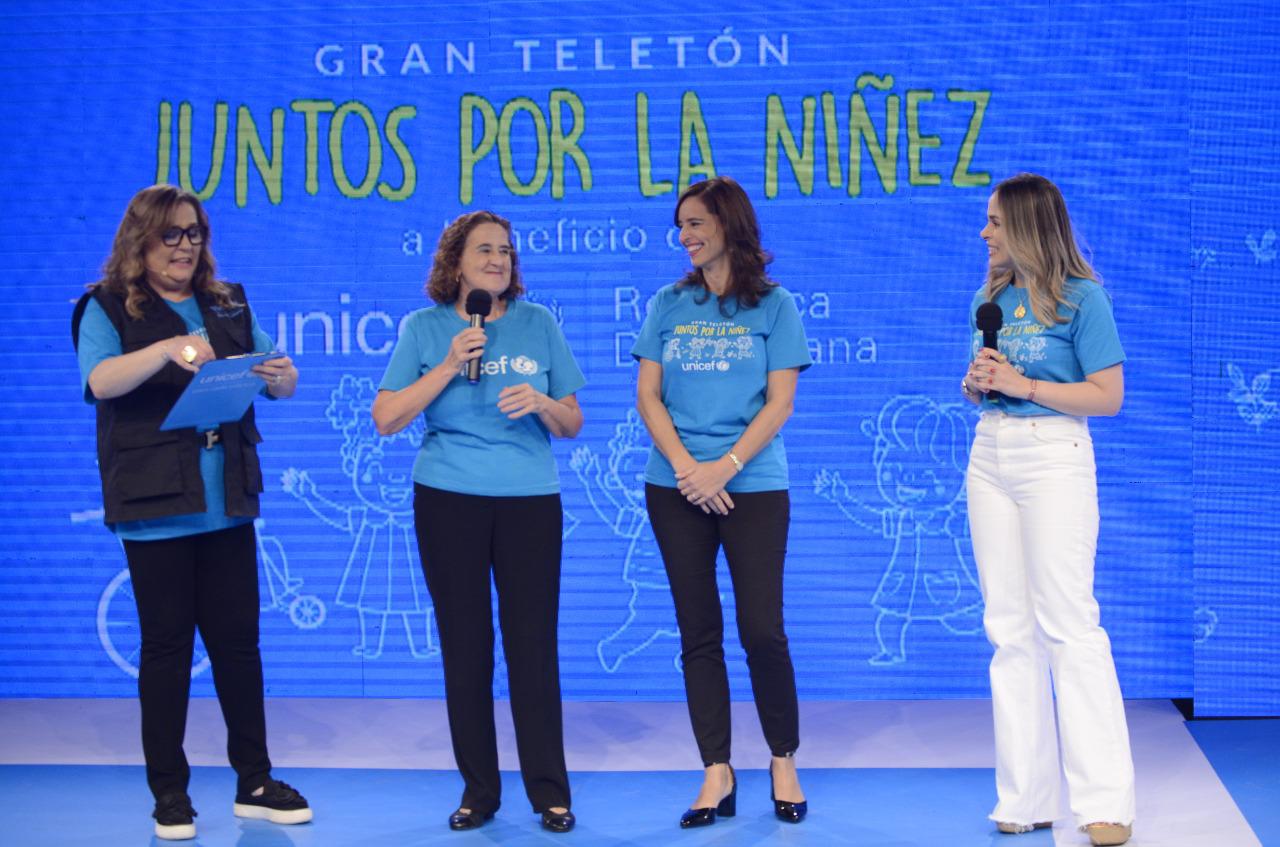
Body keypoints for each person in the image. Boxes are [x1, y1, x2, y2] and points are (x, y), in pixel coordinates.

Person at [72, 185, 310, 841]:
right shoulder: (105, 307)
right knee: (167, 648)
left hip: (226, 504)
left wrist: (279, 375)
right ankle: (169, 793)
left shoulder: (226, 302)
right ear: (140, 239)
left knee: (240, 646)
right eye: (171, 234)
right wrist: (169, 352)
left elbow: (279, 377)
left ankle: (255, 780)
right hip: (156, 507)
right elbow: (100, 381)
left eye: (194, 233)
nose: (184, 246)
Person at [372, 210, 584, 834]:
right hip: (448, 499)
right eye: (485, 250)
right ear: (455, 262)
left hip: (529, 501)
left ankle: (551, 793)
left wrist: (543, 403)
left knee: (532, 649)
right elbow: (385, 419)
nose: (498, 261)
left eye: (506, 252)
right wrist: (445, 365)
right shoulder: (425, 328)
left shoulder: (538, 323)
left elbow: (573, 422)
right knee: (466, 650)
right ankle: (479, 792)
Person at [632, 176, 812, 829]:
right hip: (676, 486)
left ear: (729, 225)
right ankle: (716, 770)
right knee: (697, 630)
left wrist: (726, 467)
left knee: (762, 629)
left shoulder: (775, 306)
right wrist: (687, 468)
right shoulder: (668, 303)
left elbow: (780, 402)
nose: (685, 236)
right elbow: (648, 395)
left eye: (696, 222)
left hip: (753, 485)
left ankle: (782, 758)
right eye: (680, 225)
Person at [962, 173, 1135, 847]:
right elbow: (982, 383)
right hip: (991, 453)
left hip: (1054, 454)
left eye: (996, 222)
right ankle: (1024, 796)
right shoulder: (992, 298)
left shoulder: (1083, 300)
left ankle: (1103, 802)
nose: (985, 233)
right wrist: (978, 383)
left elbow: (1108, 395)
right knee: (1008, 627)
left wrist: (1024, 383)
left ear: (1031, 226)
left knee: (1069, 623)